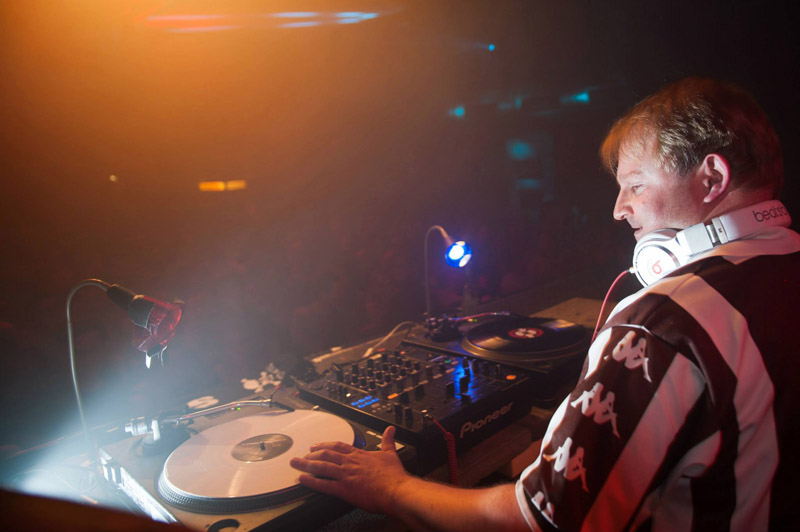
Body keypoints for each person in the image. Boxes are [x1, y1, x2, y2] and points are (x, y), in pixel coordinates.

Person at [290, 77, 800, 531]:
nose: (619, 210)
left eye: (636, 185)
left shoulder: (664, 322)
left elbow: (538, 522)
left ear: (711, 179)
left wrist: (390, 488)